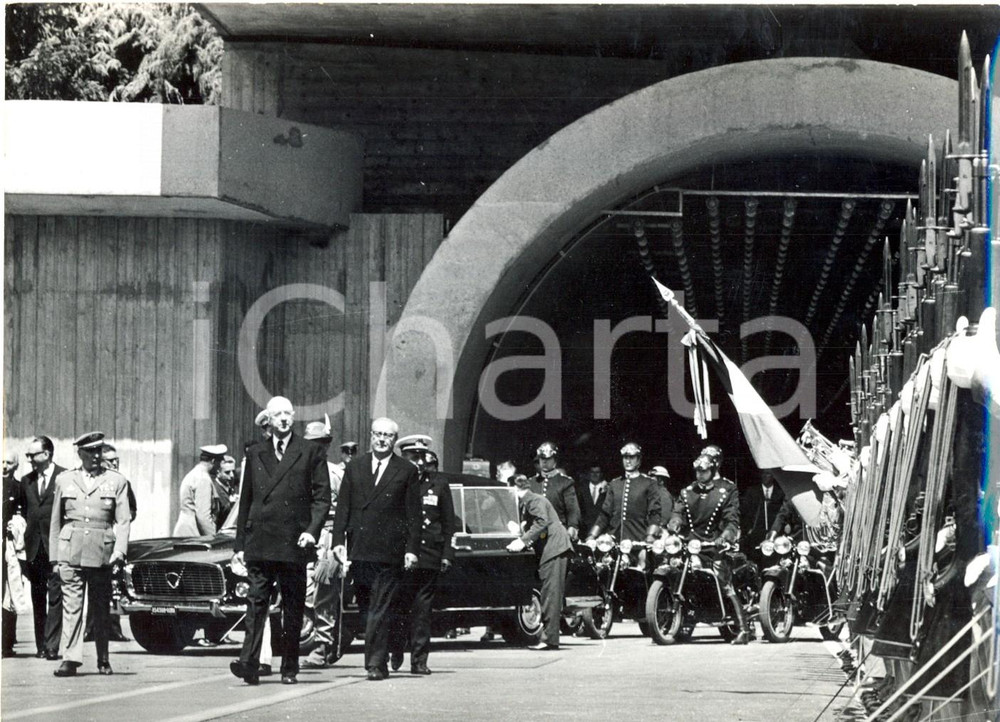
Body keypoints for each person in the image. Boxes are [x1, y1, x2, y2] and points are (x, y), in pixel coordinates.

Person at [230, 396, 331, 686]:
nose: (284, 418)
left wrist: (311, 530)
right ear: (269, 420)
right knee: (255, 604)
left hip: (294, 542)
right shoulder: (256, 452)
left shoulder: (310, 451)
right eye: (278, 415)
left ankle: (289, 666)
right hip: (260, 542)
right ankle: (248, 662)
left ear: (294, 416)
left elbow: (322, 498)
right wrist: (239, 545)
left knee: (293, 607)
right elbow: (245, 501)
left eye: (288, 413)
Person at [331, 417, 422, 682]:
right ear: (370, 436)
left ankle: (374, 663)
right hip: (360, 549)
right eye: (378, 434)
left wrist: (411, 549)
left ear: (394, 440)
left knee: (379, 608)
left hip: (389, 551)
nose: (382, 439)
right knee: (366, 608)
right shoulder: (355, 467)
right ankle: (389, 646)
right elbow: (343, 508)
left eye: (388, 436)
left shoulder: (405, 470)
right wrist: (338, 541)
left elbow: (413, 514)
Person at [49, 431, 132, 676]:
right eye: (90, 451)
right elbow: (56, 520)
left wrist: (120, 550)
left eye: (99, 451)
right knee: (71, 607)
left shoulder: (116, 481)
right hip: (70, 551)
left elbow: (124, 520)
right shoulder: (65, 480)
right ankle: (71, 659)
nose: (96, 456)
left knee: (100, 609)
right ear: (80, 453)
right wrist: (55, 558)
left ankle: (103, 658)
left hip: (102, 553)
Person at [389, 436, 457, 674]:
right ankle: (396, 648)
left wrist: (447, 554)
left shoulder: (438, 483)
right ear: (404, 457)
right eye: (412, 456)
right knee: (398, 607)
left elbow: (449, 522)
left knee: (422, 611)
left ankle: (419, 661)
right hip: (400, 555)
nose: (418, 462)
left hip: (428, 554)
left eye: (421, 456)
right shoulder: (396, 481)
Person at [667, 453, 749, 645]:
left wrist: (725, 536)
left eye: (703, 471)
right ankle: (681, 622)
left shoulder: (727, 490)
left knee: (723, 582)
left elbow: (732, 519)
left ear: (712, 470)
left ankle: (743, 629)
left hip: (714, 544)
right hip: (692, 544)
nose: (699, 474)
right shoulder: (687, 492)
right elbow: (678, 511)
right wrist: (674, 522)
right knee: (677, 570)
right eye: (697, 471)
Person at [507, 474, 573, 651]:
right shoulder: (531, 501)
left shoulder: (533, 500)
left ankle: (550, 640)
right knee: (548, 593)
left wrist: (523, 540)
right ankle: (549, 637)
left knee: (550, 594)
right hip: (553, 549)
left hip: (554, 550)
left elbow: (542, 522)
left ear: (515, 488)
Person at [301, 416, 345, 669]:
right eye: (310, 443)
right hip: (305, 536)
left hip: (328, 536)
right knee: (304, 594)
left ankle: (323, 646)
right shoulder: (299, 470)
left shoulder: (335, 473)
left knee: (324, 595)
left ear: (327, 445)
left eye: (320, 443)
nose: (315, 447)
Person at [18, 435, 65, 660]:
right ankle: (41, 646)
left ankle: (52, 646)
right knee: (38, 599)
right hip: (34, 549)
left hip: (55, 549)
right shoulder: (26, 481)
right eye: (28, 455)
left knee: (56, 598)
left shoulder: (64, 477)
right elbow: (25, 513)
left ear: (46, 454)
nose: (29, 459)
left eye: (33, 455)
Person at [83, 444, 133, 644]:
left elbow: (130, 512)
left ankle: (113, 628)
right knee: (93, 588)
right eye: (110, 460)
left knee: (112, 587)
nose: (115, 463)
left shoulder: (121, 482)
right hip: (93, 541)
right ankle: (90, 629)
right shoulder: (91, 482)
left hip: (111, 540)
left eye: (116, 460)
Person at [586, 443, 661, 544]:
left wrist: (650, 535)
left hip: (639, 539)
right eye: (625, 457)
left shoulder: (648, 483)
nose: (628, 461)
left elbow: (654, 513)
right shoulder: (615, 484)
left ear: (639, 459)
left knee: (642, 560)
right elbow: (605, 514)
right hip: (614, 540)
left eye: (632, 457)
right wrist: (592, 535)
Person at [528, 442, 581, 542]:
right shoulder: (531, 482)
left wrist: (572, 527)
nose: (544, 462)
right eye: (542, 459)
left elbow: (572, 509)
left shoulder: (565, 482)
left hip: (557, 534)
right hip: (534, 535)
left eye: (548, 459)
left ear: (555, 460)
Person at [174, 444, 226, 537]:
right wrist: (212, 538)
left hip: (186, 531)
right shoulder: (203, 479)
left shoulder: (194, 474)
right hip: (194, 534)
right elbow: (203, 516)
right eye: (219, 462)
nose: (220, 467)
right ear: (213, 461)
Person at [3, 452, 25, 657]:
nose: (3, 466)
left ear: (16, 466)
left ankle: (7, 642)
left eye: (8, 462)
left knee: (10, 593)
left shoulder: (19, 488)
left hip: (8, 548)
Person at [741, 469, 785, 568]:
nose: (765, 476)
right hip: (756, 531)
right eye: (763, 474)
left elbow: (783, 513)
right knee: (755, 559)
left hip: (774, 531)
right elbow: (745, 512)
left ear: (773, 476)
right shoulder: (752, 491)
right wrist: (748, 529)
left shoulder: (780, 492)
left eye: (768, 474)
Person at [576, 461, 608, 532]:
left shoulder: (608, 489)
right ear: (588, 474)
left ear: (601, 474)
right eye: (592, 472)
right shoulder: (581, 489)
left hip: (602, 530)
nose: (594, 475)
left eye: (597, 472)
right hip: (584, 531)